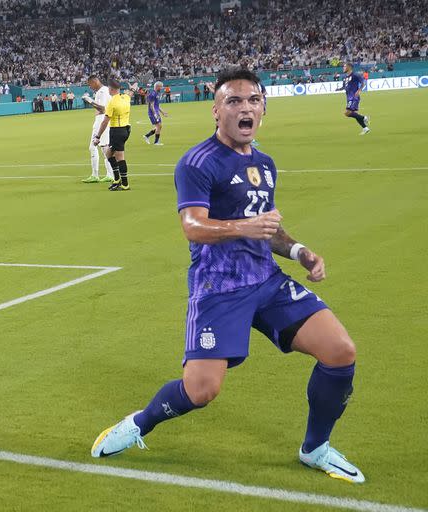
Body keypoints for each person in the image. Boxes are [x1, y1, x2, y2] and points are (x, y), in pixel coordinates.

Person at [90, 68, 364, 484]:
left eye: (253, 100)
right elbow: (193, 226)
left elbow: (266, 226)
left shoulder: (265, 164)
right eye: (233, 101)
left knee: (341, 352)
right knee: (201, 391)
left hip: (267, 281)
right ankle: (139, 423)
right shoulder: (197, 163)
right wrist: (241, 227)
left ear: (263, 109)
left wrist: (298, 251)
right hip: (218, 287)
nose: (245, 107)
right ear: (216, 111)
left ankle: (316, 448)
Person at [93, 79, 131, 191]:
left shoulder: (112, 102)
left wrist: (98, 136)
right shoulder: (125, 97)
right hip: (126, 129)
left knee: (120, 157)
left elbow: (105, 122)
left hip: (117, 131)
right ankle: (117, 179)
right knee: (109, 154)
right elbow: (131, 92)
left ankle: (125, 184)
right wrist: (132, 87)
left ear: (111, 89)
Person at [81, 75, 114, 183]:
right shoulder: (105, 90)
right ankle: (110, 174)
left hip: (101, 121)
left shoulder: (102, 92)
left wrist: (89, 100)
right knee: (104, 148)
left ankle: (95, 175)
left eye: (90, 84)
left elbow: (103, 108)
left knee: (93, 147)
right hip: (103, 120)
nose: (90, 87)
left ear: (95, 81)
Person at [338, 63, 370, 135]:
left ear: (349, 67)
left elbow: (363, 82)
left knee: (347, 113)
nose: (343, 68)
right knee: (353, 113)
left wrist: (359, 90)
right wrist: (339, 89)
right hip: (349, 97)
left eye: (344, 66)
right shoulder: (345, 77)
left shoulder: (355, 75)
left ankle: (364, 117)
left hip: (354, 97)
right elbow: (344, 87)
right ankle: (365, 128)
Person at [143, 81, 168, 145]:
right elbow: (151, 105)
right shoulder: (153, 94)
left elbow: (157, 105)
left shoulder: (156, 94)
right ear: (157, 87)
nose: (161, 88)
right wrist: (155, 114)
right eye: (161, 87)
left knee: (159, 126)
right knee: (158, 126)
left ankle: (147, 136)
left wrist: (163, 112)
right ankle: (156, 142)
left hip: (156, 112)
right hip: (153, 113)